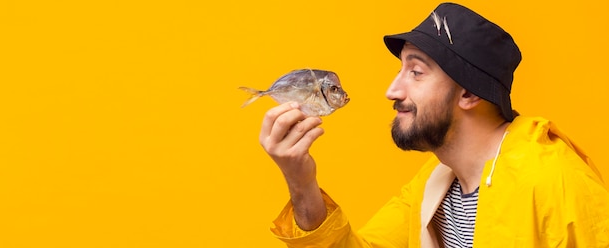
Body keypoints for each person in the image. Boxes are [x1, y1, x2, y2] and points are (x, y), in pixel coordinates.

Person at [257, 2, 609, 247]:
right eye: (400, 71)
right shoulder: (433, 184)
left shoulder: (556, 181)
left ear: (469, 92)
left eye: (416, 72)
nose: (391, 90)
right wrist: (301, 182)